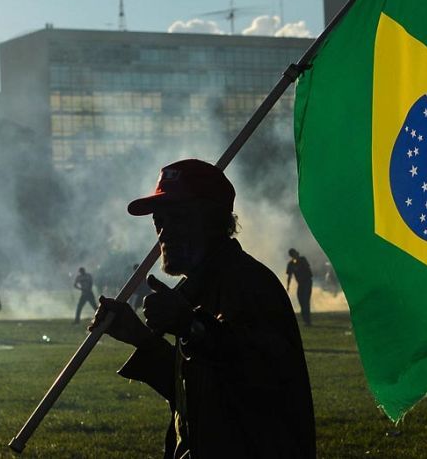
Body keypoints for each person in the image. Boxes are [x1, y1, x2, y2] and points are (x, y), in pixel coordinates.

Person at [89, 159, 315, 458]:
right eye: (159, 221)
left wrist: (191, 327)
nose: (163, 233)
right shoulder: (200, 290)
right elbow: (197, 394)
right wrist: (141, 338)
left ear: (214, 220)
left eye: (178, 218)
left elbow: (260, 377)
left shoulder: (248, 284)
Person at [286, 248, 314, 326]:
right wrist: (288, 286)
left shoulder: (302, 259)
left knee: (305, 301)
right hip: (301, 284)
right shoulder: (291, 264)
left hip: (307, 282)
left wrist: (298, 260)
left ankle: (307, 321)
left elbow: (307, 267)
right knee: (301, 300)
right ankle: (306, 320)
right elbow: (289, 276)